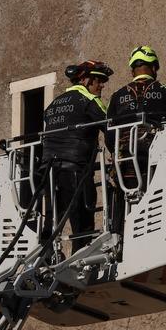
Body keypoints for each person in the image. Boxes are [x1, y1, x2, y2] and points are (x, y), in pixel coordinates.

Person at [106, 46, 166, 231]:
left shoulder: (117, 96)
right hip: (157, 162)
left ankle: (121, 240)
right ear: (154, 68)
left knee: (124, 206)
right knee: (159, 208)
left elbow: (109, 133)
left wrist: (117, 152)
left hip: (125, 165)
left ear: (132, 69)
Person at [41, 60, 112, 252]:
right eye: (99, 80)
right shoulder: (89, 100)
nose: (102, 85)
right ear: (86, 80)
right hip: (75, 170)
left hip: (48, 172)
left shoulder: (53, 105)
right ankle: (80, 263)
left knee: (52, 218)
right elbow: (111, 131)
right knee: (82, 222)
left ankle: (45, 259)